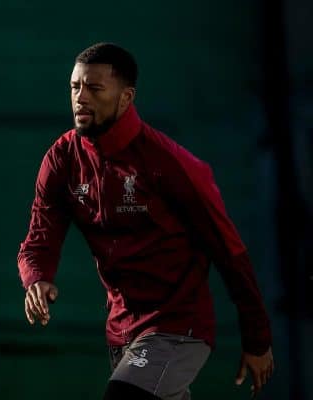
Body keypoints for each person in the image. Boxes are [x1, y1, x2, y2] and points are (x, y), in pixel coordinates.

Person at [17, 43, 274, 400]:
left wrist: (257, 338)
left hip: (178, 325)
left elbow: (229, 252)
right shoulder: (62, 158)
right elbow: (40, 235)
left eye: (94, 88)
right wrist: (38, 277)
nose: (81, 98)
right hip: (122, 330)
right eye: (75, 87)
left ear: (126, 98)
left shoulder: (168, 163)